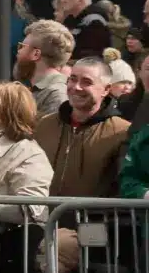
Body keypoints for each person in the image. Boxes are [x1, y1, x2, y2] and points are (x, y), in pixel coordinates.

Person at [35, 57, 131, 198]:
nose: (76, 87)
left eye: (87, 82)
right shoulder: (45, 125)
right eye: (72, 79)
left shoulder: (122, 132)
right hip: (44, 211)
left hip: (95, 212)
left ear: (106, 89)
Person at [17, 18, 74, 118]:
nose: (18, 51)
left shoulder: (57, 95)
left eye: (22, 46)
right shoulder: (40, 90)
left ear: (35, 54)